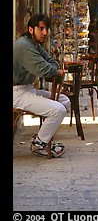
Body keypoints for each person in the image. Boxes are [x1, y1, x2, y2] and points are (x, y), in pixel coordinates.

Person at [13, 13, 70, 158]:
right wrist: (56, 71)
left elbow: (52, 62)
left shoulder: (34, 45)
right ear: (31, 29)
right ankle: (40, 144)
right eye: (41, 29)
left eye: (46, 29)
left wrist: (54, 69)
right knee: (58, 110)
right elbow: (44, 70)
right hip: (16, 92)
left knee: (64, 101)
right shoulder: (24, 46)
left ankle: (42, 137)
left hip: (27, 89)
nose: (45, 33)